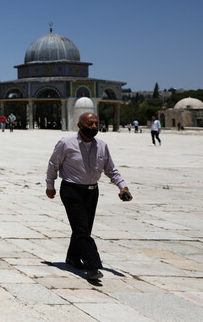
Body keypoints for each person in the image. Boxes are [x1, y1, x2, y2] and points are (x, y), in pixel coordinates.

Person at [46, 112, 132, 282]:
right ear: (80, 125)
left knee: (84, 228)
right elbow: (53, 164)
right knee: (81, 229)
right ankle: (92, 267)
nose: (93, 127)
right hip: (71, 190)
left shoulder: (102, 145)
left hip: (92, 191)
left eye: (96, 124)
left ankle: (72, 257)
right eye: (89, 124)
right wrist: (50, 185)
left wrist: (122, 186)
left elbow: (111, 169)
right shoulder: (66, 143)